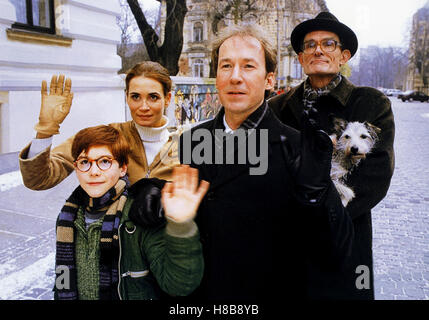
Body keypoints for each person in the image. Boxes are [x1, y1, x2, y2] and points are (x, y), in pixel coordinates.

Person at [172, 24, 354, 302]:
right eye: (226, 66)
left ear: (269, 80)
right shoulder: (193, 141)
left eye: (248, 66)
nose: (235, 77)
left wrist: (317, 194)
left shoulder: (296, 147)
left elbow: (335, 249)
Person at [269, 12, 395, 300]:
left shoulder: (370, 103)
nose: (318, 50)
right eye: (310, 45)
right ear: (301, 58)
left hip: (346, 237)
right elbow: (269, 170)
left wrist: (327, 216)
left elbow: (376, 174)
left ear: (344, 56)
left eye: (329, 43)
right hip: (288, 243)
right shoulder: (277, 108)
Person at [54, 124, 208, 300]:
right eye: (84, 162)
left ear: (123, 168)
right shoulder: (67, 218)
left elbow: (179, 284)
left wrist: (181, 226)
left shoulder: (138, 217)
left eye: (104, 161)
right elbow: (62, 279)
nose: (93, 172)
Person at [19, 61, 179, 189]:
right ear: (127, 97)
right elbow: (38, 180)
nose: (143, 106)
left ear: (167, 98)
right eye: (135, 97)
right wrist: (45, 129)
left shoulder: (187, 145)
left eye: (153, 97)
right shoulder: (106, 136)